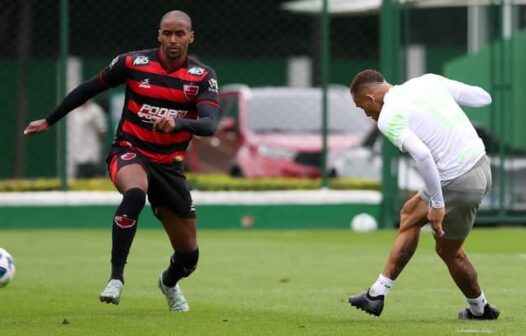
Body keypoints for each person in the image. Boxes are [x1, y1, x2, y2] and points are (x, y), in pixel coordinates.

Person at [24, 10, 220, 312]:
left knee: (189, 255)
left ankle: (168, 283)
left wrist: (178, 123)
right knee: (135, 193)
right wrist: (50, 120)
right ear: (158, 34)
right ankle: (116, 278)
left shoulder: (201, 77)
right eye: (167, 33)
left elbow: (209, 124)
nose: (172, 39)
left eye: (179, 34)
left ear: (190, 37)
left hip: (169, 165)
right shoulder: (132, 63)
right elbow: (89, 87)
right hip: (130, 150)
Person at [348, 69, 500, 320]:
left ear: (371, 99)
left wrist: (438, 204)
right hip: (481, 164)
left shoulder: (389, 116)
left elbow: (423, 156)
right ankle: (376, 294)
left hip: (459, 181)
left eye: (362, 108)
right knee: (410, 213)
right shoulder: (428, 81)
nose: (368, 115)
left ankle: (480, 309)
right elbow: (483, 98)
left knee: (449, 252)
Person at [68, 100, 108, 178]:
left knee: (91, 175)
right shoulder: (75, 110)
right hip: (76, 150)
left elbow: (102, 130)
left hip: (91, 150)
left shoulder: (96, 110)